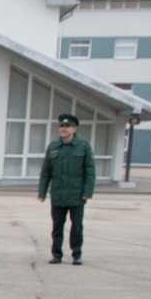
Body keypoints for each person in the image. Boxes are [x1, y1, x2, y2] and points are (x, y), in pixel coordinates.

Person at [39, 113, 95, 264]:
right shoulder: (53, 147)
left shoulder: (83, 146)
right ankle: (57, 254)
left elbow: (90, 172)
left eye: (68, 126)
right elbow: (46, 173)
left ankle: (76, 254)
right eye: (62, 126)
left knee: (77, 227)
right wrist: (42, 192)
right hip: (58, 194)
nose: (64, 129)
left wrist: (87, 192)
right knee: (57, 227)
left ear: (74, 129)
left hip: (77, 195)